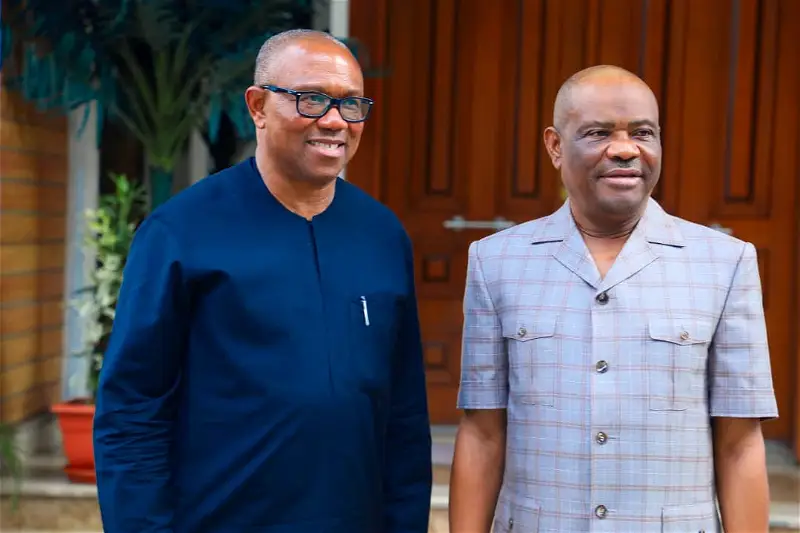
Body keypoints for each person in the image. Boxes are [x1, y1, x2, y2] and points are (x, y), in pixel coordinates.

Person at [93, 29, 432, 533]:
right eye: (311, 99)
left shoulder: (382, 236)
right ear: (258, 106)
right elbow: (131, 411)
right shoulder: (181, 232)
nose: (335, 121)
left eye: (351, 104)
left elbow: (404, 414)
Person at [449, 65, 778, 533]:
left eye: (643, 133)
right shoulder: (495, 261)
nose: (625, 149)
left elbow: (739, 442)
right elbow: (482, 433)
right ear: (555, 146)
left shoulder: (725, 263)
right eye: (598, 133)